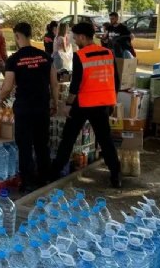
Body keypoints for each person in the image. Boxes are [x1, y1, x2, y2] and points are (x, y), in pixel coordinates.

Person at [51, 21, 122, 188]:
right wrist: (112, 100)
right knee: (106, 141)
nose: (75, 41)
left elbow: (75, 84)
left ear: (83, 37)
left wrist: (68, 104)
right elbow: (116, 81)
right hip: (103, 104)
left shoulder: (80, 56)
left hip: (83, 104)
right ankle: (116, 176)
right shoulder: (108, 53)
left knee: (68, 139)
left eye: (76, 38)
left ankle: (54, 173)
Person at [0, 22, 56, 193]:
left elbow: (8, 86)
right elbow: (54, 83)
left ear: (17, 36)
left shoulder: (14, 59)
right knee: (41, 143)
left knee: (24, 145)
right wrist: (55, 102)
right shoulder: (45, 56)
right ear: (30, 34)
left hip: (24, 107)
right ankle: (44, 178)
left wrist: (0, 99)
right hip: (42, 106)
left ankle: (28, 182)